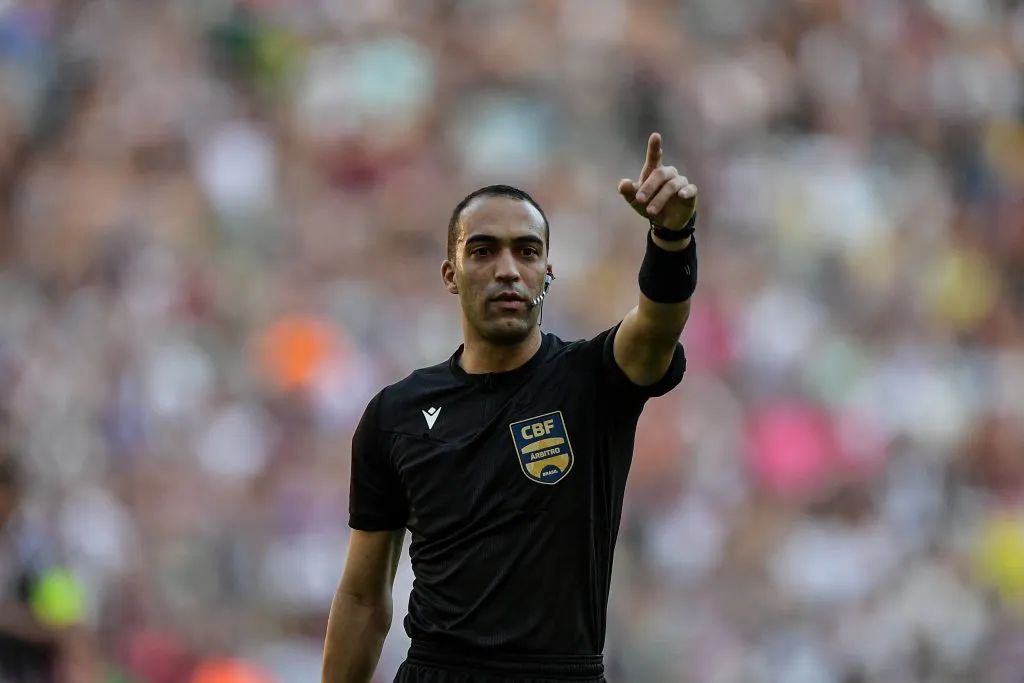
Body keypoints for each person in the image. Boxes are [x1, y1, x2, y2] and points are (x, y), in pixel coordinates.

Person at [322, 133, 699, 683]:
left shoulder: (593, 380)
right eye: (483, 250)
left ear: (547, 273)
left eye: (527, 251)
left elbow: (658, 324)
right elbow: (362, 597)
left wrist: (671, 236)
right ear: (450, 274)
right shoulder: (396, 415)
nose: (507, 269)